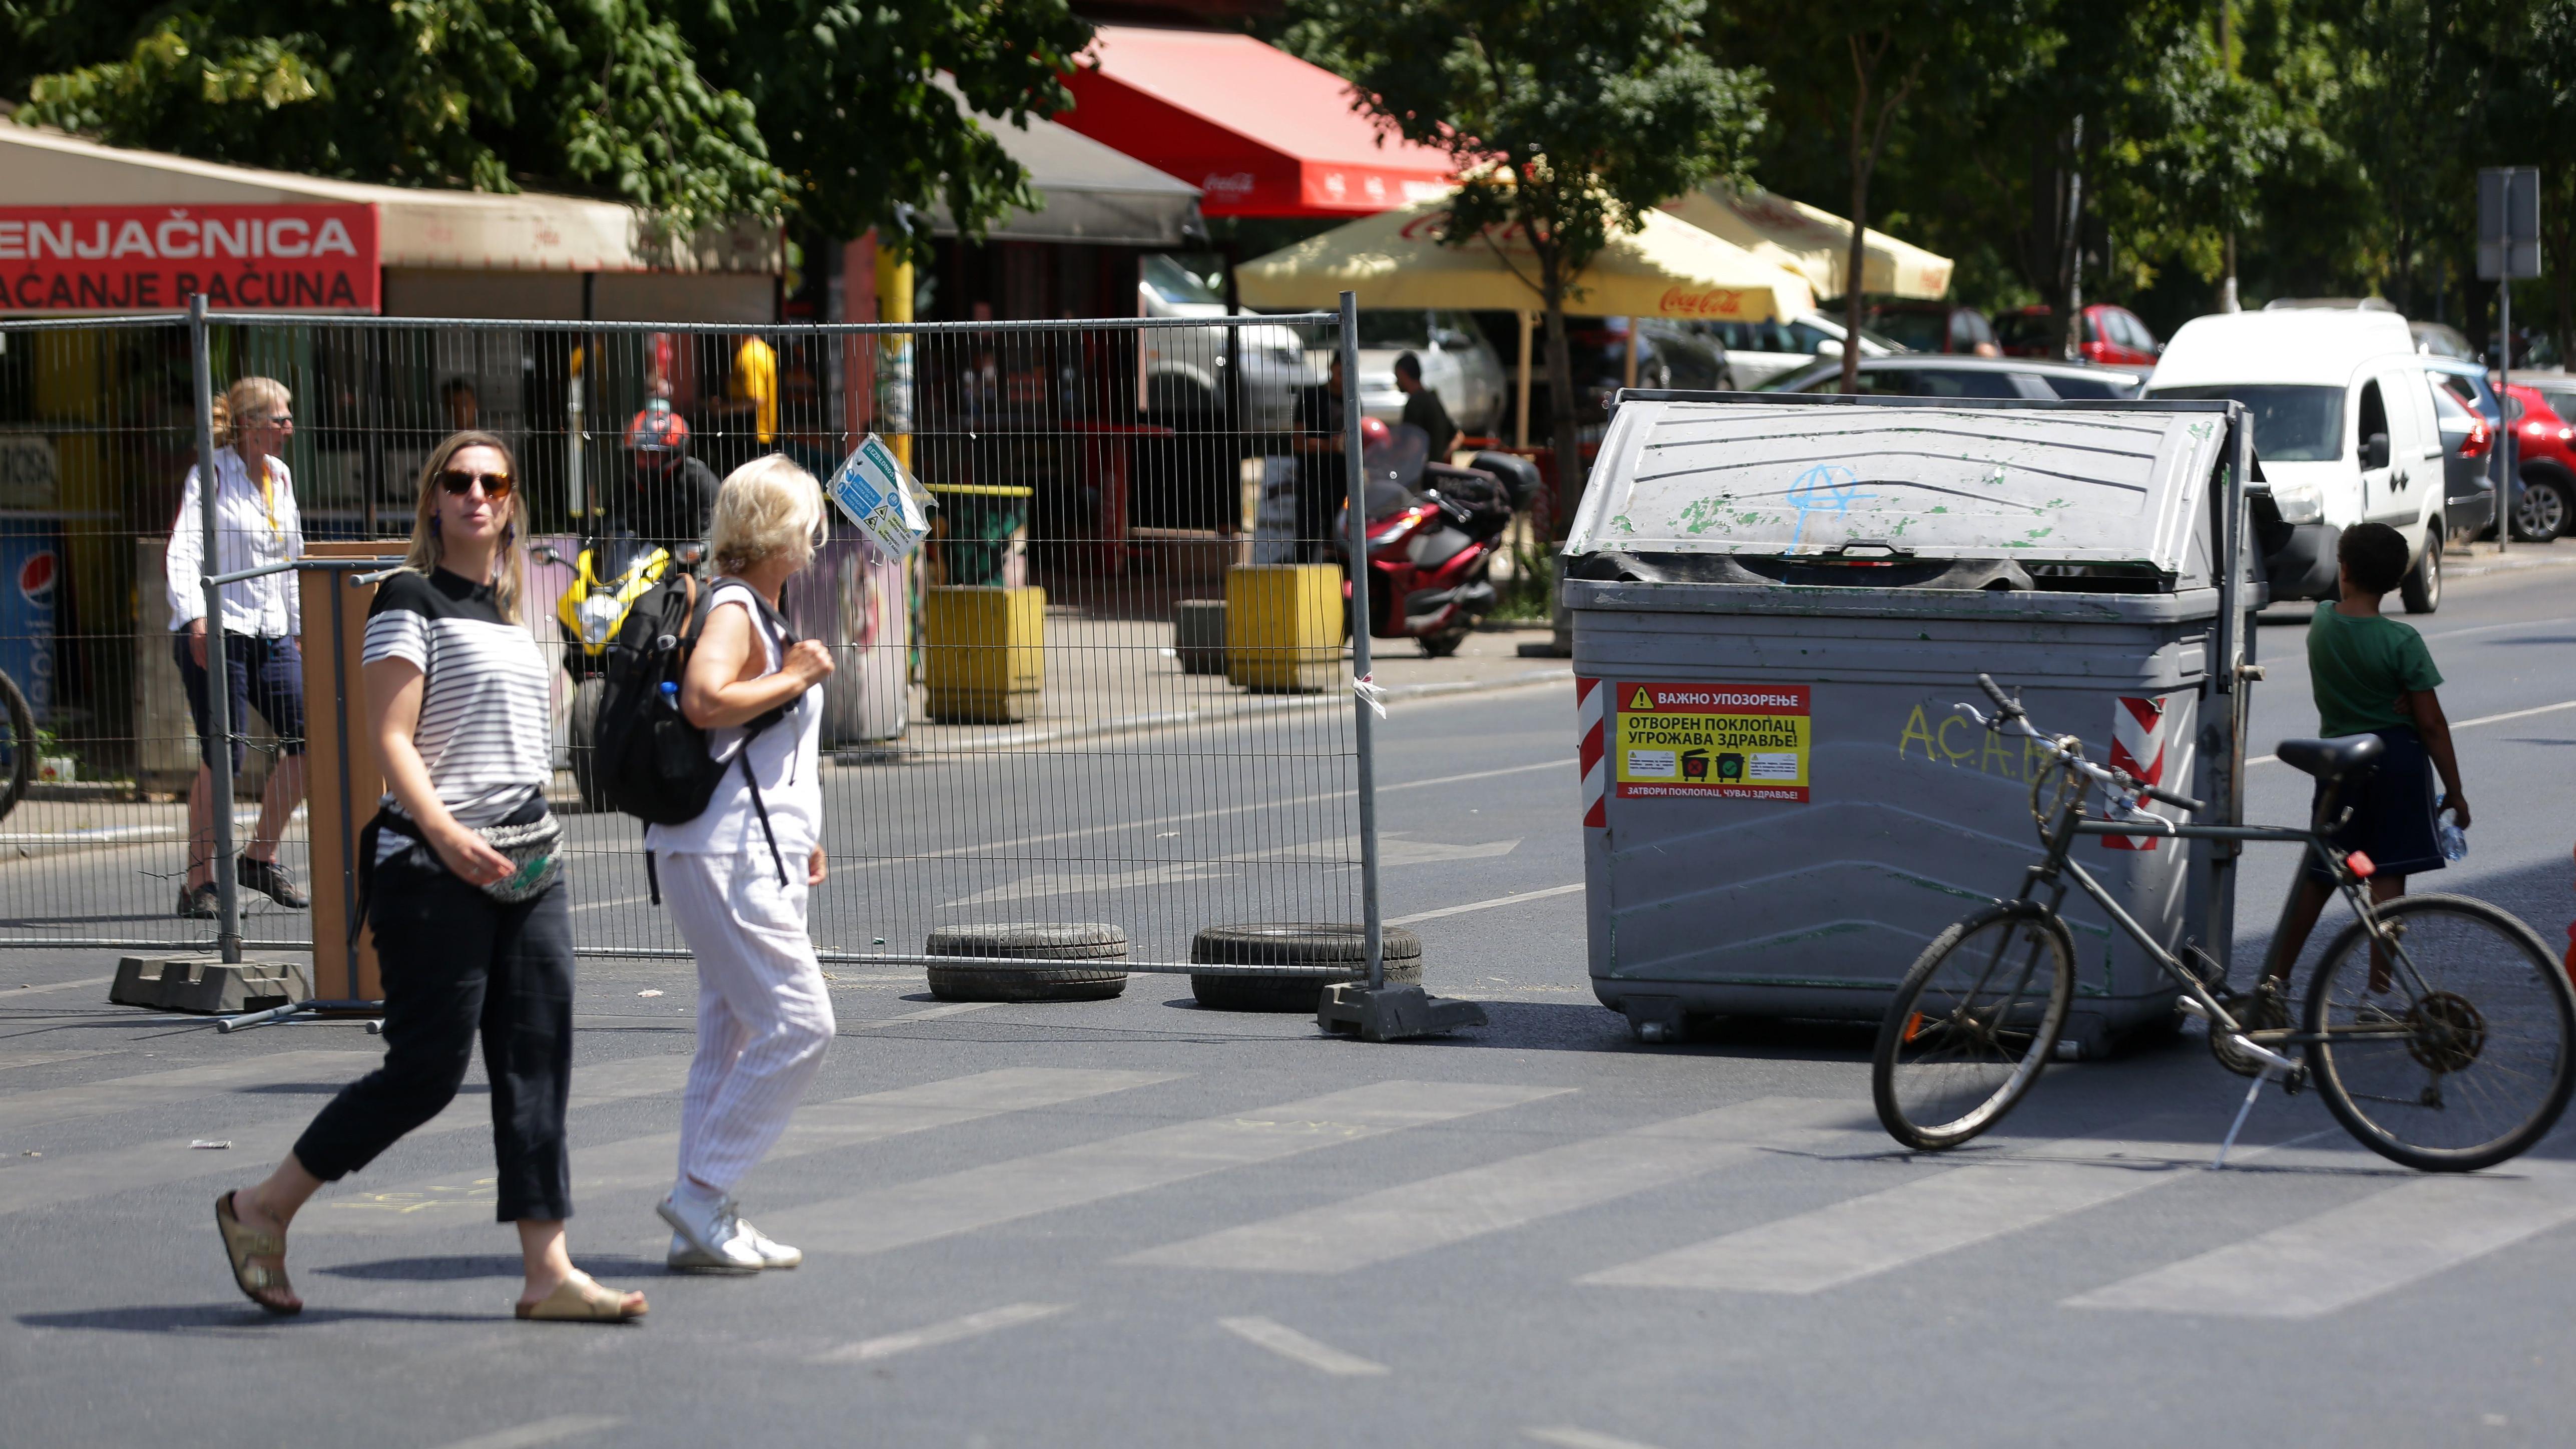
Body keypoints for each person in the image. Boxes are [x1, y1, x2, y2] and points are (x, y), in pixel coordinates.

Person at [214, 431, 646, 1323]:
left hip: (529, 861)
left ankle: (548, 1270)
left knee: (536, 1065)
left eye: (493, 482)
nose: (477, 494)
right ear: (434, 500)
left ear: (513, 501)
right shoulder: (407, 598)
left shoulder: (509, 615)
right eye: (459, 481)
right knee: (426, 1071)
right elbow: (391, 738)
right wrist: (447, 833)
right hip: (430, 862)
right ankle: (264, 1205)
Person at [650, 455, 837, 1273]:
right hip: (727, 854)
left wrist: (804, 832)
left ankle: (707, 1217)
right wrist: (794, 673)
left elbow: (758, 745)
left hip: (746, 846)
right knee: (801, 1021)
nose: (817, 537)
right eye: (806, 521)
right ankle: (703, 1189)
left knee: (727, 1033)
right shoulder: (736, 606)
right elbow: (703, 698)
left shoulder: (756, 605)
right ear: (778, 528)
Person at [2259, 522, 2468, 998]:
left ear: (2345, 569)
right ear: (2397, 580)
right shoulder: (2403, 642)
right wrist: (2455, 791)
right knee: (2388, 877)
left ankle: (2275, 982)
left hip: (2339, 767)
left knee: (2319, 875)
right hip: (2395, 762)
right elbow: (2432, 724)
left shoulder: (2324, 622)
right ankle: (2378, 995)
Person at [166, 377, 310, 917]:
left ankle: (259, 857)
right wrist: (195, 615)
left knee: (311, 738)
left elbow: (292, 557)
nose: (289, 426)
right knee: (222, 752)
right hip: (220, 626)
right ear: (249, 424)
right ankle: (198, 882)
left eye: (289, 416)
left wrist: (300, 627)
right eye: (280, 417)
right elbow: (185, 549)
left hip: (272, 631)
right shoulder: (211, 473)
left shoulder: (282, 476)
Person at [617, 398, 723, 548]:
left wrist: (700, 556)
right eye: (641, 455)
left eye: (654, 455)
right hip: (640, 564)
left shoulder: (697, 477)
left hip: (687, 562)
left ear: (674, 454)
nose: (647, 462)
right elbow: (611, 525)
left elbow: (714, 529)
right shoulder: (630, 482)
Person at [1290, 353, 1350, 563]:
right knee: (1308, 543)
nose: (1344, 375)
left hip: (1342, 484)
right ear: (1333, 367)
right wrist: (1333, 446)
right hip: (1313, 483)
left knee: (1341, 545)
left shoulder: (1351, 400)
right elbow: (1299, 443)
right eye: (1341, 369)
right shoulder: (1311, 397)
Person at [1394, 351, 1459, 461]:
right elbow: (1458, 436)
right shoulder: (1433, 400)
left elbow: (1413, 444)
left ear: (1403, 374)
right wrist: (1441, 459)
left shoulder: (1415, 404)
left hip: (1422, 475)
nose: (1397, 381)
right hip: (1436, 472)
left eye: (1397, 376)